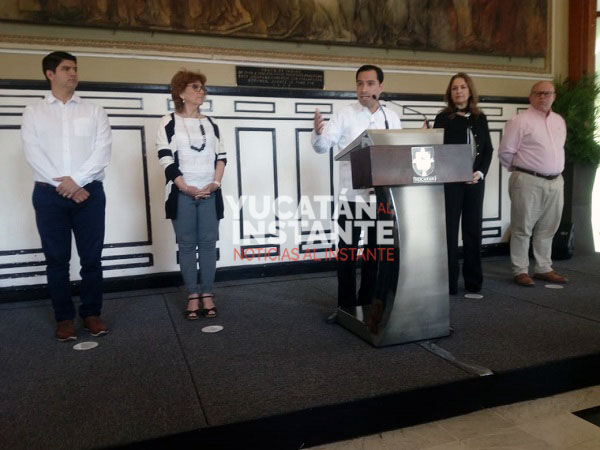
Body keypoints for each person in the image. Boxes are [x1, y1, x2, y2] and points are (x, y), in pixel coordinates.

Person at [21, 51, 112, 341]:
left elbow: (102, 151)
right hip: (49, 196)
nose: (73, 73)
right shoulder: (33, 111)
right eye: (66, 69)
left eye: (74, 68)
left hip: (90, 194)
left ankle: (91, 313)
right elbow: (33, 153)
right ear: (50, 74)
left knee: (91, 259)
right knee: (57, 260)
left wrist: (77, 182)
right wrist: (66, 186)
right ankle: (64, 318)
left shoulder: (94, 110)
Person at [312, 64, 401, 323]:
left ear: (380, 87)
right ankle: (345, 308)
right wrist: (318, 133)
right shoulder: (345, 115)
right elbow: (322, 146)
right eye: (360, 83)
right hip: (351, 198)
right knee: (347, 255)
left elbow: (398, 153)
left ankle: (367, 304)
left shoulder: (392, 118)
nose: (364, 88)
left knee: (374, 254)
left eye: (370, 83)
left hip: (381, 199)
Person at [157, 70, 226, 319]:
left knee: (207, 245)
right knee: (186, 246)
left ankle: (207, 293)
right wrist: (184, 186)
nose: (201, 91)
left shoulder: (211, 123)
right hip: (181, 194)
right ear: (181, 92)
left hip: (210, 194)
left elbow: (221, 157)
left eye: (202, 87)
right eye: (195, 87)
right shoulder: (168, 122)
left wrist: (215, 183)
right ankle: (192, 295)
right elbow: (165, 158)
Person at [498, 81, 568, 286]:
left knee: (548, 227)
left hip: (556, 181)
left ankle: (543, 268)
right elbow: (505, 152)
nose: (543, 97)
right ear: (530, 97)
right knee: (522, 228)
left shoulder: (559, 121)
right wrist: (523, 170)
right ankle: (520, 270)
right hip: (527, 180)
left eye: (547, 93)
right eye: (538, 93)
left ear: (554, 97)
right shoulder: (520, 121)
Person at [434, 73, 493, 295]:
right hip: (451, 183)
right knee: (449, 233)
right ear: (450, 93)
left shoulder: (480, 117)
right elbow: (438, 151)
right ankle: (449, 283)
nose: (458, 91)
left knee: (472, 231)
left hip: (475, 183)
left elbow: (488, 150)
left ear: (470, 91)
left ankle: (473, 282)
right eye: (454, 88)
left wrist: (480, 172)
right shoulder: (443, 118)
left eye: (462, 87)